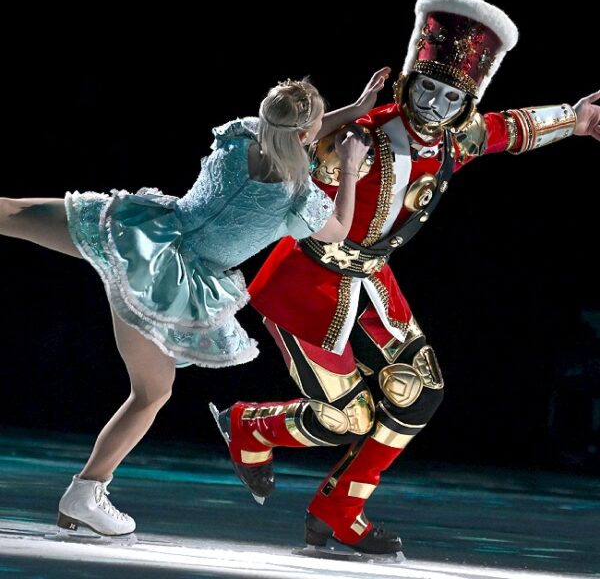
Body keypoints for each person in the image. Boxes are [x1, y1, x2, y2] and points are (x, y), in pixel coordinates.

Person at [213, 0, 599, 556]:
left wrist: (573, 119)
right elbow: (291, 171)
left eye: (452, 97)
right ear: (407, 82)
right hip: (308, 287)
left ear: (464, 103)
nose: (436, 105)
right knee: (347, 420)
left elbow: (508, 128)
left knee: (420, 393)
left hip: (372, 282)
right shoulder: (360, 139)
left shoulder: (454, 139)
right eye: (427, 89)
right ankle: (251, 426)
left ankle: (338, 509)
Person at [0, 68, 391, 536]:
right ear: (308, 134)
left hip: (140, 230)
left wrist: (353, 109)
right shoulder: (298, 198)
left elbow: (289, 129)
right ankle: (85, 492)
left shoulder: (241, 136)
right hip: (169, 282)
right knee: (151, 394)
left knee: (14, 212)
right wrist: (349, 164)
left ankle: (87, 493)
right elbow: (340, 229)